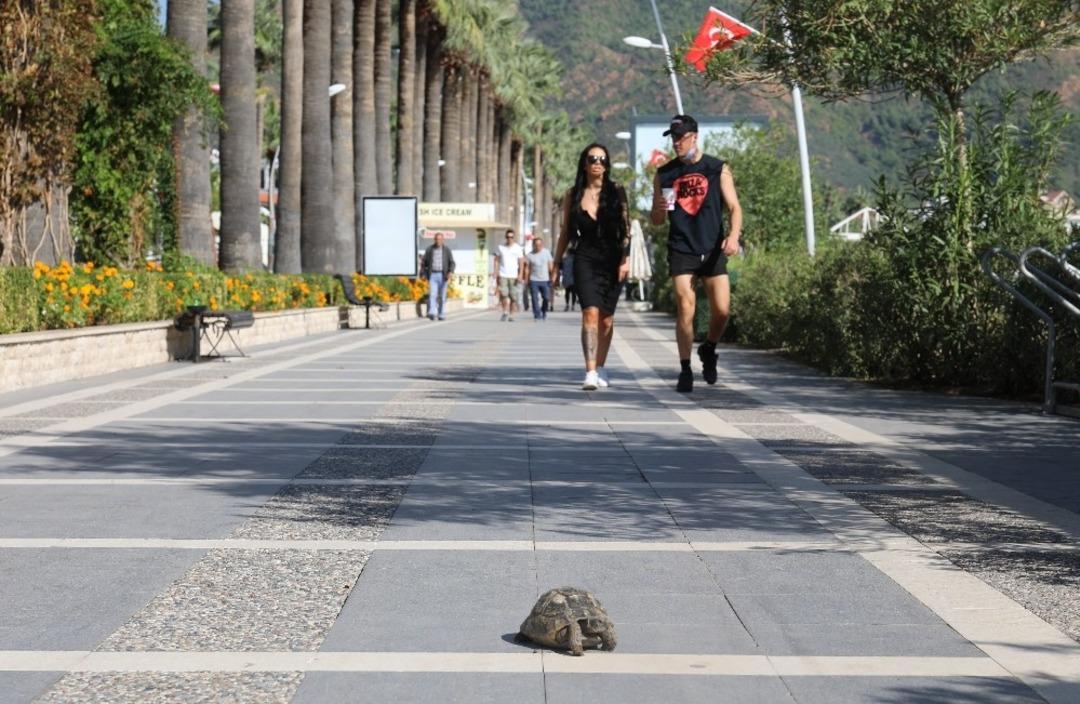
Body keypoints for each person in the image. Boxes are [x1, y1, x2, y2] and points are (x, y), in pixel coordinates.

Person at [651, 115, 743, 393]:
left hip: (713, 247)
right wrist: (657, 206)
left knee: (722, 310)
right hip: (682, 248)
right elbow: (659, 220)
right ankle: (685, 368)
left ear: (695, 136)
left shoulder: (717, 168)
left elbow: (735, 208)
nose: (677, 143)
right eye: (673, 138)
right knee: (686, 306)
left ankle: (709, 348)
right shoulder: (666, 174)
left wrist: (733, 236)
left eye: (681, 137)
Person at [552, 143, 630, 390]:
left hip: (612, 258)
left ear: (607, 165)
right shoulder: (572, 194)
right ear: (584, 164)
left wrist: (625, 259)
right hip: (584, 258)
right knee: (590, 313)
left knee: (606, 319)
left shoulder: (617, 192)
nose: (598, 163)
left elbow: (626, 230)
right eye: (592, 159)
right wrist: (556, 262)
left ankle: (602, 366)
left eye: (602, 159)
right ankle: (591, 371)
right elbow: (565, 232)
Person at [419, 232, 455, 320]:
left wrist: (450, 272)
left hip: (443, 276)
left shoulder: (447, 250)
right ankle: (432, 312)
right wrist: (423, 273)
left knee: (442, 296)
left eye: (440, 239)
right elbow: (424, 263)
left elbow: (452, 262)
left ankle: (441, 314)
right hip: (433, 275)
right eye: (436, 239)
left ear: (443, 240)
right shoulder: (430, 249)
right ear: (434, 240)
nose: (438, 241)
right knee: (432, 294)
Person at [493, 229, 525, 321]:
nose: (509, 239)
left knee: (513, 296)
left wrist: (520, 274)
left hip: (514, 275)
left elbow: (521, 262)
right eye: (508, 237)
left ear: (514, 238)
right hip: (503, 274)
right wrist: (495, 271)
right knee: (503, 294)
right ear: (505, 237)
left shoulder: (518, 248)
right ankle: (505, 312)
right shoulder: (501, 247)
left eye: (511, 237)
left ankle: (512, 315)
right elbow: (496, 259)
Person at [524, 236, 554, 321]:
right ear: (533, 245)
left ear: (542, 245)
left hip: (545, 279)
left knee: (546, 297)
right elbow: (527, 268)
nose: (538, 246)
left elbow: (550, 265)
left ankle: (543, 311)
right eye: (536, 245)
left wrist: (553, 276)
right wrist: (526, 279)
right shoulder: (530, 255)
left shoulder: (546, 253)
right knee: (534, 298)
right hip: (534, 280)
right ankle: (537, 314)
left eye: (540, 245)